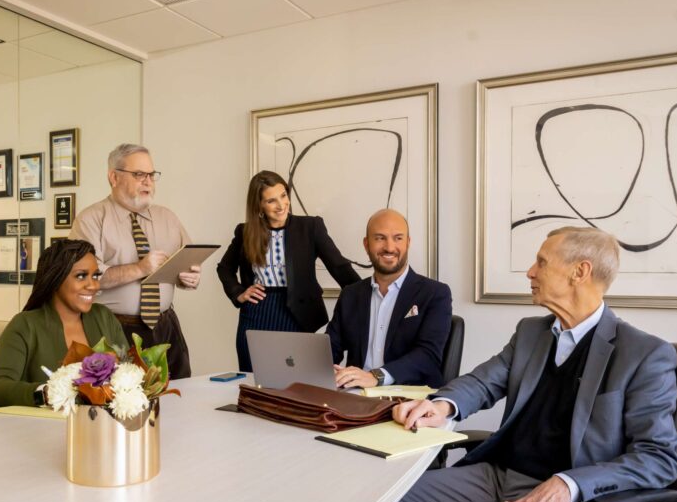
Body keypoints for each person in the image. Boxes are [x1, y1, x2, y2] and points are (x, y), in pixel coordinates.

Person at [372, 227, 677, 502]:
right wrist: (441, 404)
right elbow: (483, 382)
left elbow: (659, 459)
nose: (529, 272)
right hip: (501, 475)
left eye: (541, 262)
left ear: (579, 272)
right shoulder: (531, 332)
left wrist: (568, 484)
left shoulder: (644, 354)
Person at [69, 143, 199, 380]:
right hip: (115, 329)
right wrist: (140, 268)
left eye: (151, 175)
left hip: (166, 326)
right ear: (114, 177)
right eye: (139, 174)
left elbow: (186, 263)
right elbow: (84, 278)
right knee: (127, 405)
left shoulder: (167, 217)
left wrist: (189, 277)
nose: (148, 181)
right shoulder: (90, 220)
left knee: (182, 396)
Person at [217, 171, 359, 372]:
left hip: (297, 314)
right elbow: (224, 268)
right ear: (259, 205)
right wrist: (238, 293)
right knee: (255, 380)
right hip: (256, 314)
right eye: (271, 201)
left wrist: (366, 296)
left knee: (296, 381)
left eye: (283, 195)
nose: (281, 205)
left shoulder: (310, 227)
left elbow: (339, 267)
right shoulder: (245, 231)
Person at [0, 239, 128, 407]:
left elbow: (129, 371)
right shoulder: (25, 325)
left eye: (95, 275)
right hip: (43, 428)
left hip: (103, 426)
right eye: (81, 276)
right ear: (55, 279)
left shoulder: (104, 317)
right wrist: (46, 393)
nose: (93, 285)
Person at [326, 209, 452, 389]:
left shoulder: (435, 293)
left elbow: (427, 355)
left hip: (410, 399)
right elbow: (331, 347)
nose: (390, 247)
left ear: (408, 242)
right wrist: (323, 369)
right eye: (380, 238)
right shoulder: (350, 294)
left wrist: (376, 376)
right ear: (366, 244)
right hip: (356, 397)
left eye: (398, 238)